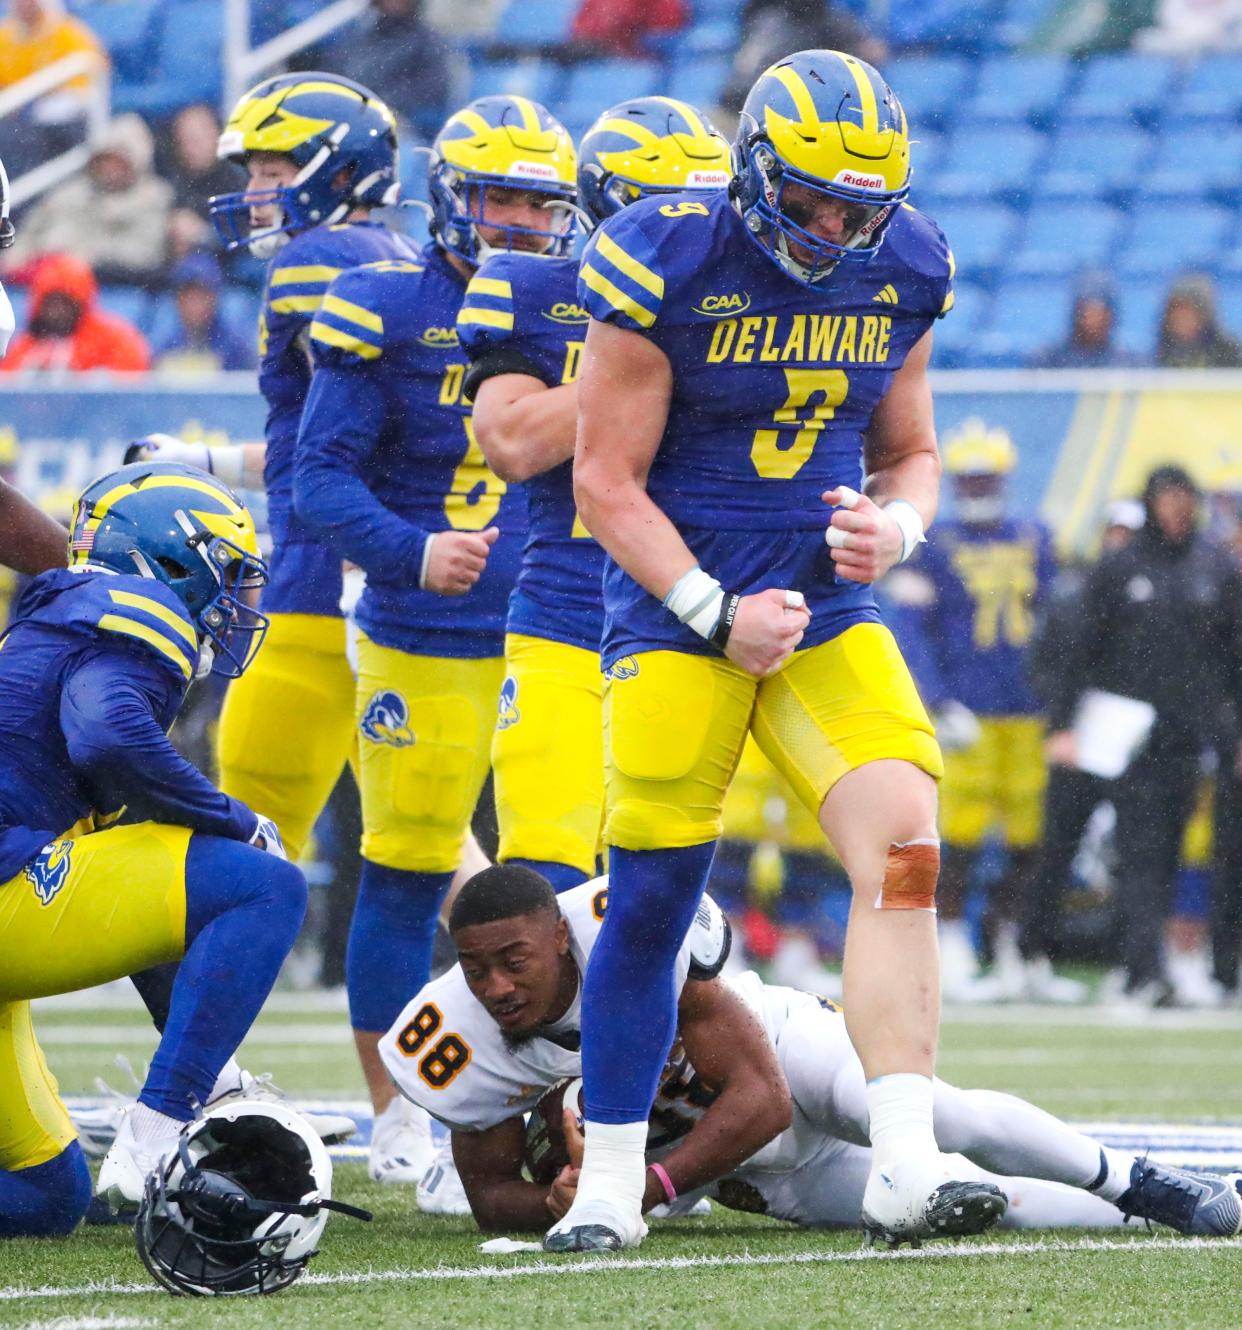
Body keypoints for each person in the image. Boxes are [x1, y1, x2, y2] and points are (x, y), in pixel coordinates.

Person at [557, 49, 998, 1253]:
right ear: (754, 170)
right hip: (677, 609)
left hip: (821, 608)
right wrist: (712, 609)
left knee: (905, 847)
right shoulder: (668, 256)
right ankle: (608, 1184)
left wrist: (892, 526)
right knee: (651, 901)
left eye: (859, 206)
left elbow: (909, 449)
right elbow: (603, 479)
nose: (835, 225)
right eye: (811, 200)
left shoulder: (905, 264)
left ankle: (905, 1158)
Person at [382, 865, 1242, 1237]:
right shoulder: (457, 1040)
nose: (494, 986)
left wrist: (642, 1184)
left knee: (943, 1117)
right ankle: (1158, 1213)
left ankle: (1135, 1178)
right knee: (983, 1206)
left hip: (789, 1059)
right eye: (476, 968)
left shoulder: (631, 932)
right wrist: (559, 1201)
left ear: (563, 943)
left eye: (513, 961)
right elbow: (493, 1189)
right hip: (746, 1173)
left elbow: (763, 1097)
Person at [294, 93, 575, 1190]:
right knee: (405, 875)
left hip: (555, 630)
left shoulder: (584, 307)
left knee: (565, 885)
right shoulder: (384, 306)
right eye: (499, 196)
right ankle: (398, 1114)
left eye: (538, 203)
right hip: (422, 634)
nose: (516, 221)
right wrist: (412, 551)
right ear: (452, 199)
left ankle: (562, 1110)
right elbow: (318, 480)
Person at [0, 460, 309, 1235]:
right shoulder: (131, 607)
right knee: (265, 883)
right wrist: (236, 821)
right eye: (228, 574)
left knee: (46, 1199)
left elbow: (141, 911)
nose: (238, 602)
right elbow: (106, 735)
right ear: (170, 565)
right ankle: (156, 1134)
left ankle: (178, 1108)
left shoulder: (66, 614)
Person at [457, 96, 731, 896]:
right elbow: (508, 440)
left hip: (690, 621)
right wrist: (646, 366)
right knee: (541, 891)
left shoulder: (747, 309)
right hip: (568, 615)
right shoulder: (532, 288)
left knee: (657, 896)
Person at [885, 420, 1071, 1002]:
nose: (978, 488)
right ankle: (953, 943)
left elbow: (1062, 625)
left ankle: (1011, 942)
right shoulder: (933, 543)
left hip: (1028, 707)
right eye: (969, 479)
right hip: (966, 707)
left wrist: (1059, 698)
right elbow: (912, 632)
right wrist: (937, 700)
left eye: (987, 478)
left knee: (1030, 837)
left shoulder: (1036, 536)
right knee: (954, 835)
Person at [1044, 466, 1242, 1005]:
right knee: (1137, 854)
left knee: (1188, 854)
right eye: (1167, 496)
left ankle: (1196, 968)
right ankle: (1140, 968)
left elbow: (1233, 658)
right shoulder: (1120, 568)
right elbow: (1078, 652)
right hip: (1124, 735)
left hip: (1193, 737)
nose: (1177, 507)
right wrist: (1062, 724)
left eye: (1185, 497)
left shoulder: (1214, 568)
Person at [1017, 499, 1144, 975]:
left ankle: (1133, 963)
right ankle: (1030, 953)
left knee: (1137, 852)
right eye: (1115, 533)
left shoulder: (1156, 591)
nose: (1121, 545)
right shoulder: (1075, 593)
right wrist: (1063, 723)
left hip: (1136, 738)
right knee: (1057, 847)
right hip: (1082, 735)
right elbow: (1049, 664)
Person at [7, 114, 173, 288]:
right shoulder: (68, 192)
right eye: (107, 160)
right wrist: (19, 260)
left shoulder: (154, 198)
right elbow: (29, 233)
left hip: (105, 286)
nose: (111, 169)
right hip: (42, 281)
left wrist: (78, 259)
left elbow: (143, 254)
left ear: (136, 164)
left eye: (119, 162)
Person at [309, 0, 463, 142]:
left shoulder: (429, 45)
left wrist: (378, 112)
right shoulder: (355, 40)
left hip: (399, 134)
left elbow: (431, 100)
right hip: (347, 128)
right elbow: (329, 83)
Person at [0, 0, 105, 176]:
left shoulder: (68, 33)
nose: (25, 6)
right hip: (15, 116)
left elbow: (87, 77)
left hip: (59, 118)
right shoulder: (5, 36)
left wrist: (34, 100)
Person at [0, 252, 149, 372]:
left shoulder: (114, 340)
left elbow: (129, 387)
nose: (56, 312)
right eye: (50, 303)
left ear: (79, 304)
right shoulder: (24, 347)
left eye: (65, 303)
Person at [151, 252, 256, 374]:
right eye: (187, 296)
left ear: (214, 299)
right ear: (177, 300)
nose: (193, 305)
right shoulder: (168, 344)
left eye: (201, 296)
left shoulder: (235, 348)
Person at [1029, 272, 1142, 369]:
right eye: (1087, 312)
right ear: (1077, 314)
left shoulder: (1128, 363)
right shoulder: (1051, 360)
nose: (1093, 321)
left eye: (1100, 313)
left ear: (1111, 317)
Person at [1156, 272, 1242, 369]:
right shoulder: (1163, 350)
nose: (1181, 320)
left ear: (1204, 316)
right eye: (1176, 314)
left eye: (1187, 314)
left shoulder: (1229, 351)